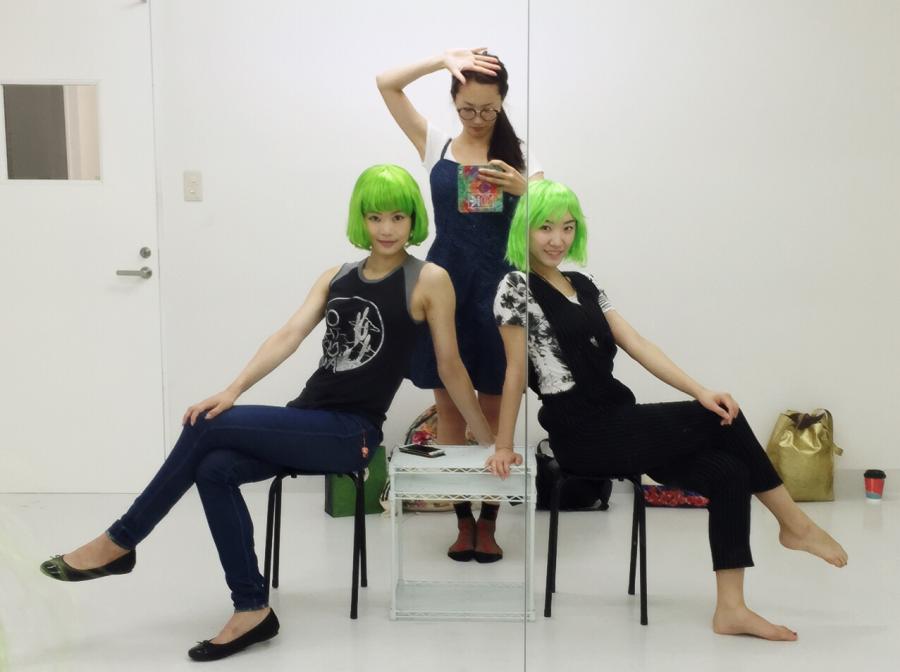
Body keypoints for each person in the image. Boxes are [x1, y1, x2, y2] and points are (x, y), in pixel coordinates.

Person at [39, 165, 496, 661]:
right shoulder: (337, 276)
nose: (386, 229)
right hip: (308, 418)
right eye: (375, 217)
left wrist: (486, 436)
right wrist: (232, 389)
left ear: (413, 220)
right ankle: (252, 609)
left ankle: (121, 540)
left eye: (398, 217)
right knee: (214, 469)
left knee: (208, 425)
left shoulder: (428, 279)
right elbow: (288, 335)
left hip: (352, 433)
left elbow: (450, 366)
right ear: (360, 219)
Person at [491, 179, 848, 640]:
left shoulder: (585, 284)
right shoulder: (515, 287)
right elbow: (514, 372)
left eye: (567, 227)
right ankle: (793, 523)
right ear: (524, 229)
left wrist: (700, 390)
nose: (557, 239)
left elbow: (638, 344)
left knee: (729, 471)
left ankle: (732, 610)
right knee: (719, 419)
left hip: (621, 423)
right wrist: (503, 445)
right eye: (545, 228)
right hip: (581, 434)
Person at [377, 48, 539, 562]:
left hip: (497, 295)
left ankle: (489, 524)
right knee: (449, 415)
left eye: (488, 109)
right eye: (467, 108)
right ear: (454, 101)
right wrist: (440, 58)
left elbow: (549, 231)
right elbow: (386, 84)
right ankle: (462, 522)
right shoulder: (437, 146)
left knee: (495, 412)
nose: (477, 118)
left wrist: (525, 190)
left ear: (503, 102)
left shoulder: (523, 159)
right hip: (443, 291)